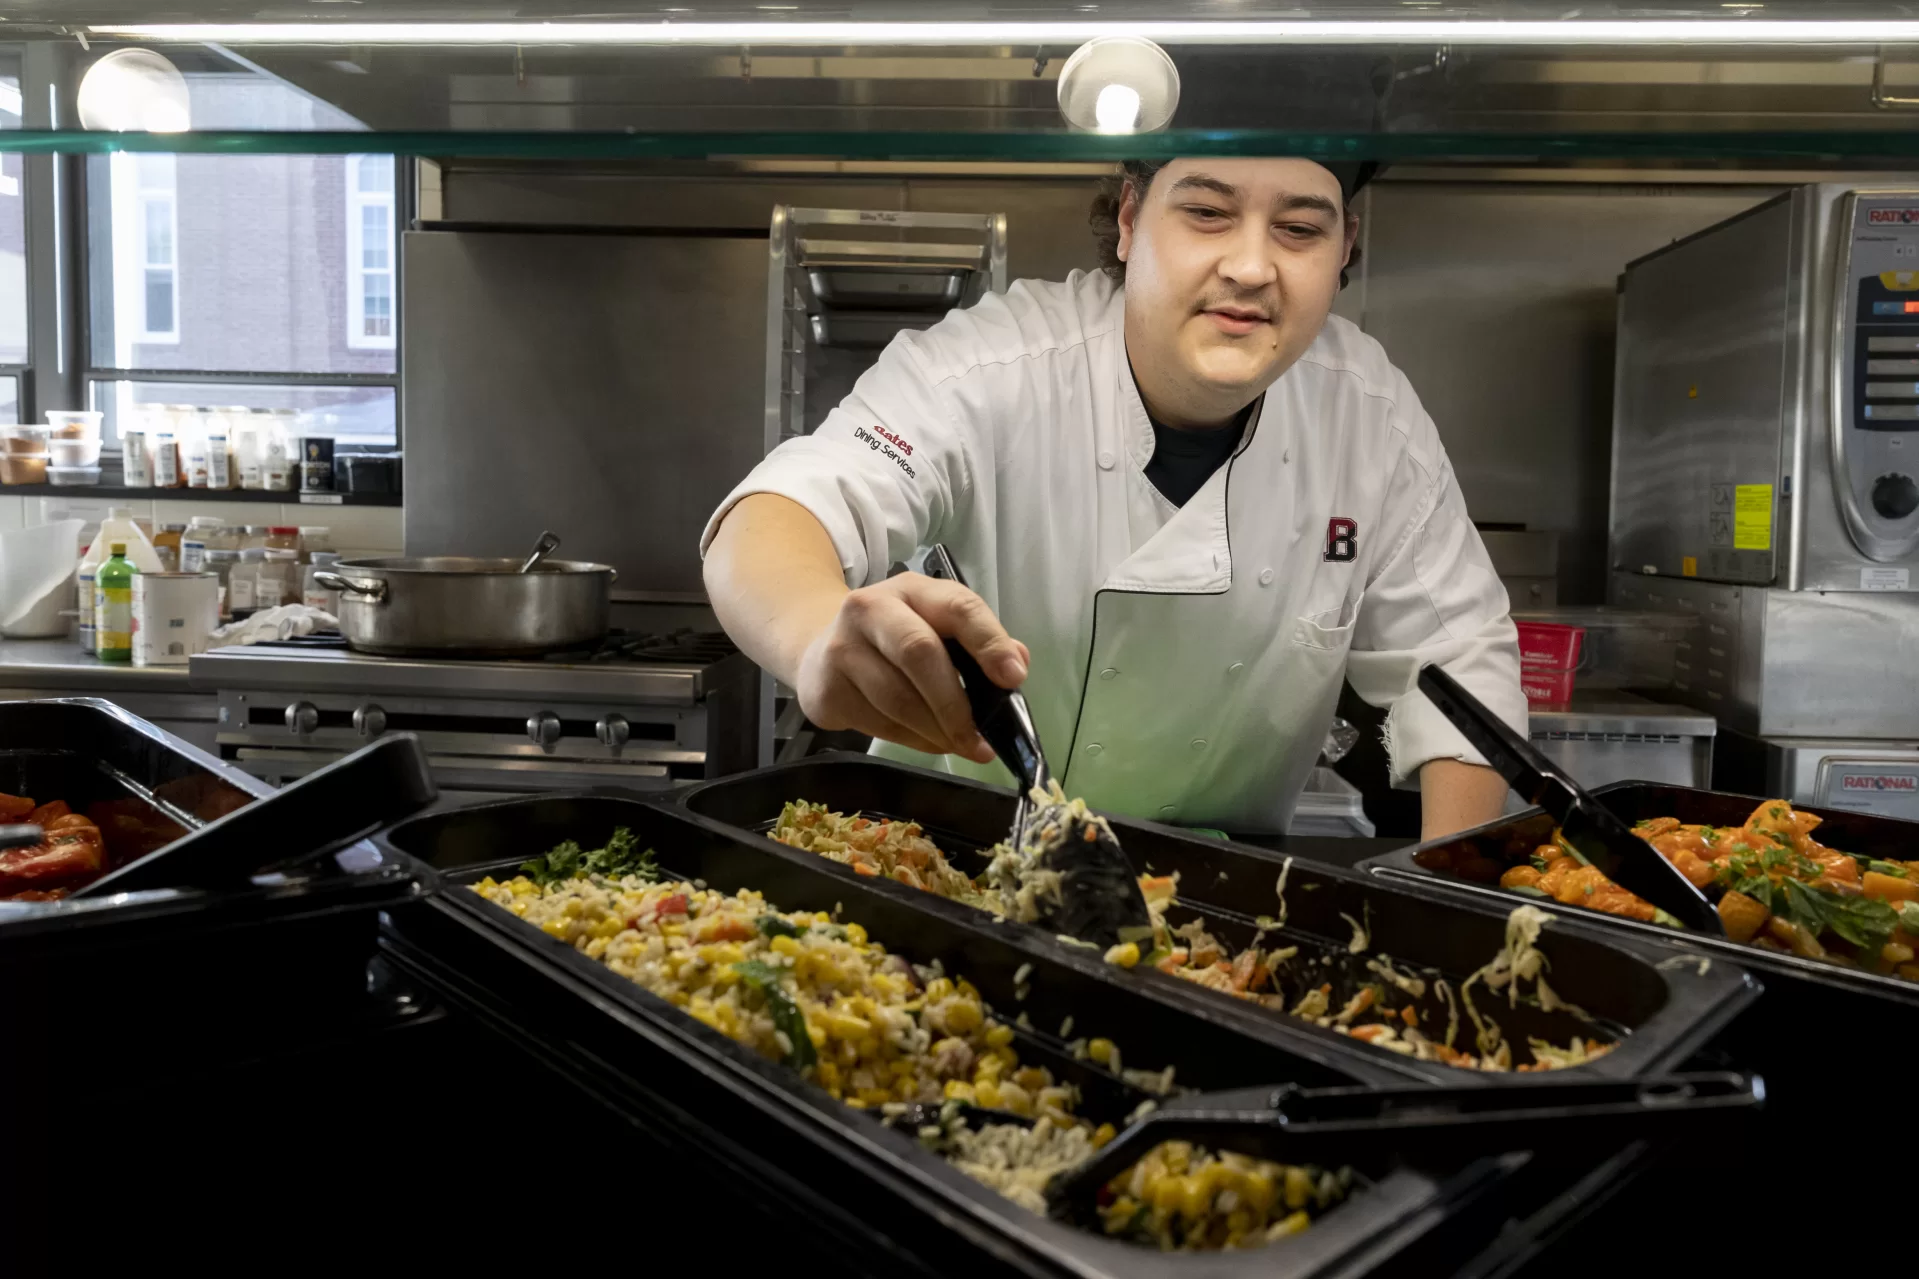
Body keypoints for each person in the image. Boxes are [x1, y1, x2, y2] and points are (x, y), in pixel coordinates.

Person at [702, 156, 1523, 839]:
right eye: (1206, 212)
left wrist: (1454, 900)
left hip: (1225, 900)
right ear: (1130, 220)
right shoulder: (996, 367)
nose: (1249, 266)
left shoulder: (1367, 412)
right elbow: (779, 513)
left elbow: (1458, 661)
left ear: (1344, 247)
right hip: (943, 862)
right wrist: (814, 638)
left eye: (1300, 229)